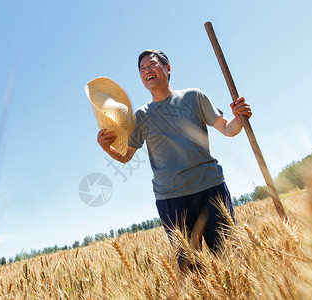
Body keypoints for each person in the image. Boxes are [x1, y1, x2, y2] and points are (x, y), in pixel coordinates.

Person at [97, 49, 252, 266]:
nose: (146, 71)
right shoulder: (141, 117)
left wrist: (240, 117)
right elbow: (126, 157)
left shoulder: (194, 97)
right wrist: (107, 149)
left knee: (231, 260)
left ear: (167, 68)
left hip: (210, 188)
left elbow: (228, 129)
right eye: (142, 69)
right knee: (191, 270)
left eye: (151, 65)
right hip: (172, 198)